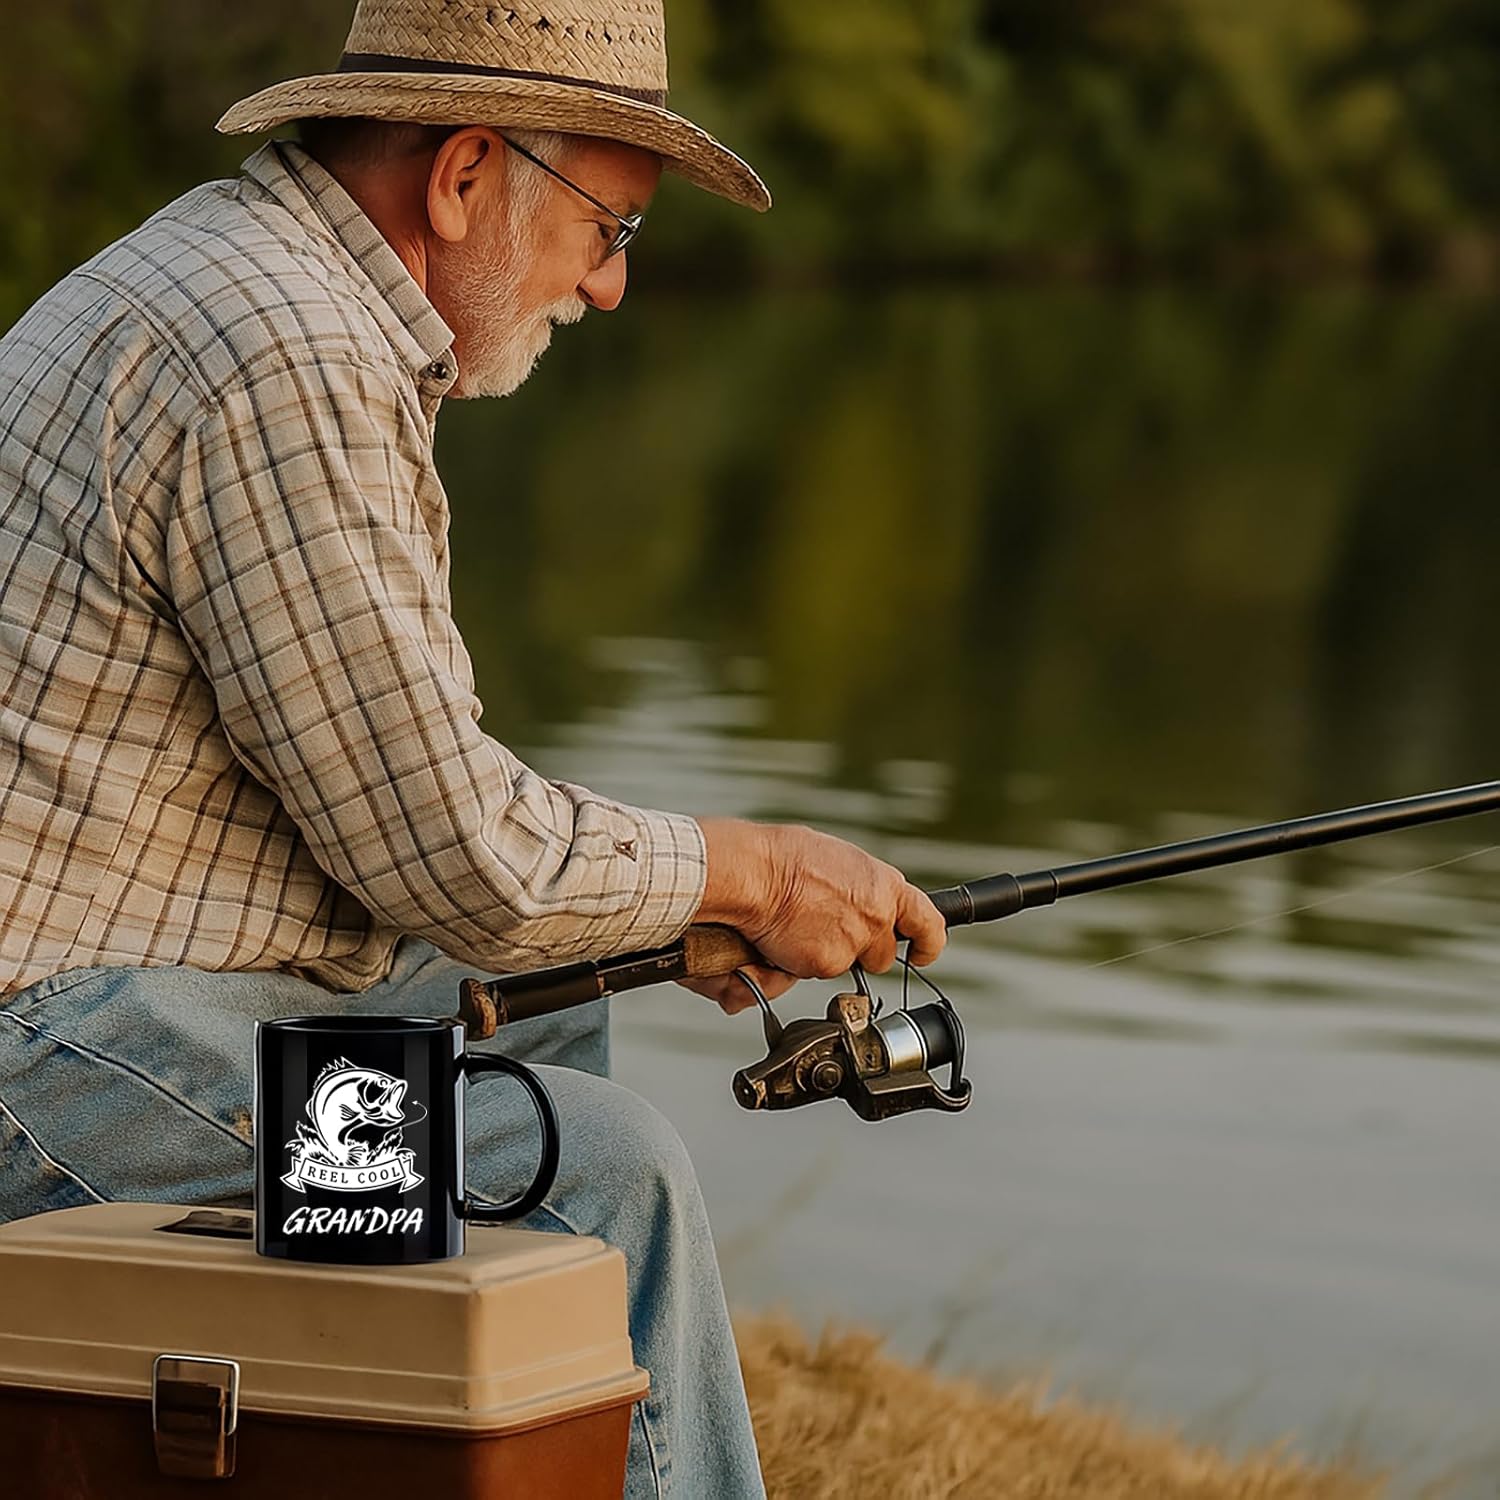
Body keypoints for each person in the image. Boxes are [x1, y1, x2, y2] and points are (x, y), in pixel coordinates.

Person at [0, 2, 946, 1495]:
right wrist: (749, 874)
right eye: (610, 227)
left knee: (525, 1011)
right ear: (460, 177)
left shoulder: (239, 273)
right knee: (606, 1174)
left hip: (92, 977)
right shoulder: (286, 359)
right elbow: (461, 855)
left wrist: (667, 909)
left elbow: (406, 830)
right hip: (35, 1061)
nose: (614, 286)